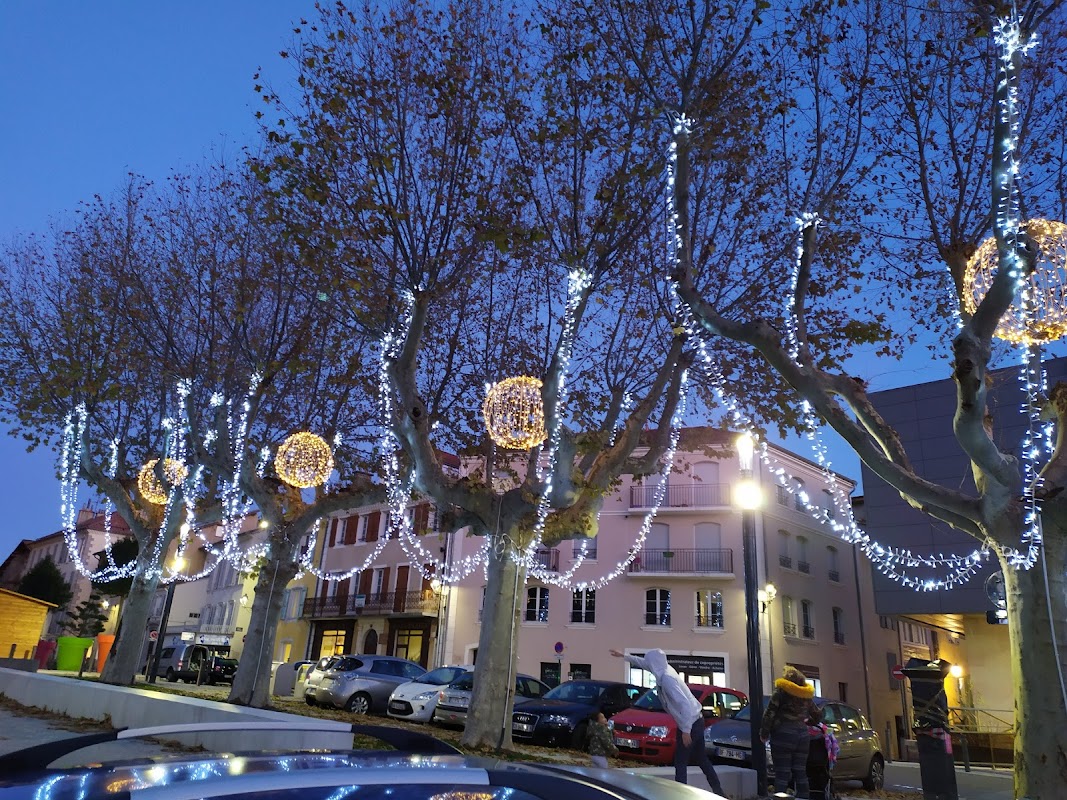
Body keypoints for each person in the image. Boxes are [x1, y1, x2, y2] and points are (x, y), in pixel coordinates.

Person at [609, 648, 723, 794]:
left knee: (680, 761)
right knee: (701, 759)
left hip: (690, 722)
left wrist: (686, 731)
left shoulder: (668, 679)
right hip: (696, 720)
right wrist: (624, 656)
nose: (648, 665)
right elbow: (643, 663)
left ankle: (680, 795)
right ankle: (718, 791)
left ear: (654, 663)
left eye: (650, 663)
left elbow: (684, 705)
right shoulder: (663, 669)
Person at [759, 665, 821, 799]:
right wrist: (807, 722)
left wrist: (764, 733)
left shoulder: (781, 692)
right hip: (803, 736)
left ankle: (780, 797)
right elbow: (817, 715)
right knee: (800, 771)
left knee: (782, 772)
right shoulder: (806, 696)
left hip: (783, 735)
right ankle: (804, 797)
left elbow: (769, 713)